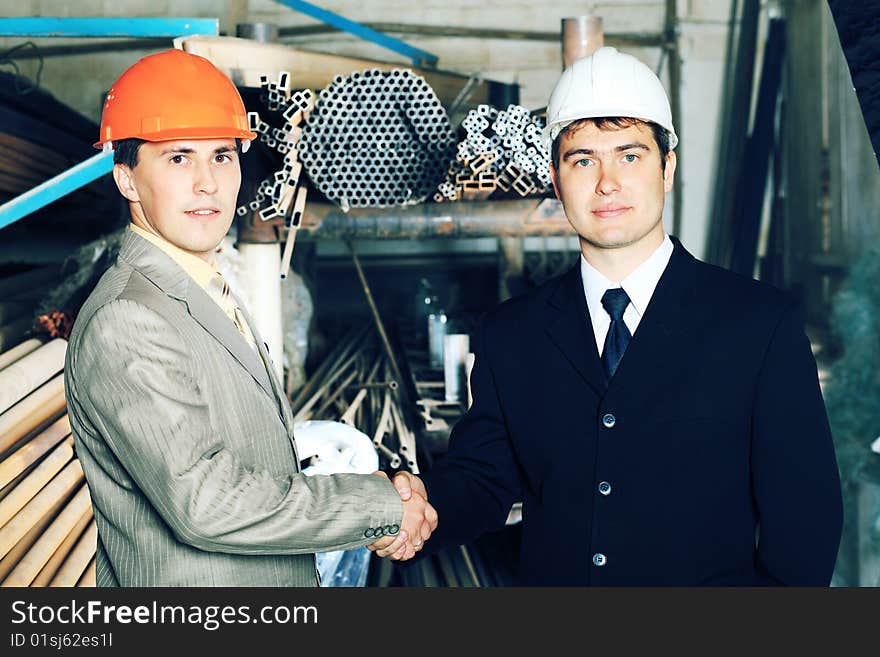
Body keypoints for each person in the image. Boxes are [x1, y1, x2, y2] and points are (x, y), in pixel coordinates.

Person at [371, 46, 844, 585]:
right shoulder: (512, 333)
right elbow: (485, 478)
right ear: (555, 178)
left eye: (630, 155)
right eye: (583, 159)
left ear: (667, 168)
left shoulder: (759, 326)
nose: (607, 183)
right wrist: (420, 505)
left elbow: (805, 521)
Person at [63, 49, 434, 586]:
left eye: (221, 156)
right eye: (177, 158)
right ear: (126, 180)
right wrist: (378, 505)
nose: (207, 182)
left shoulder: (203, 287)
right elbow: (206, 501)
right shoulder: (129, 318)